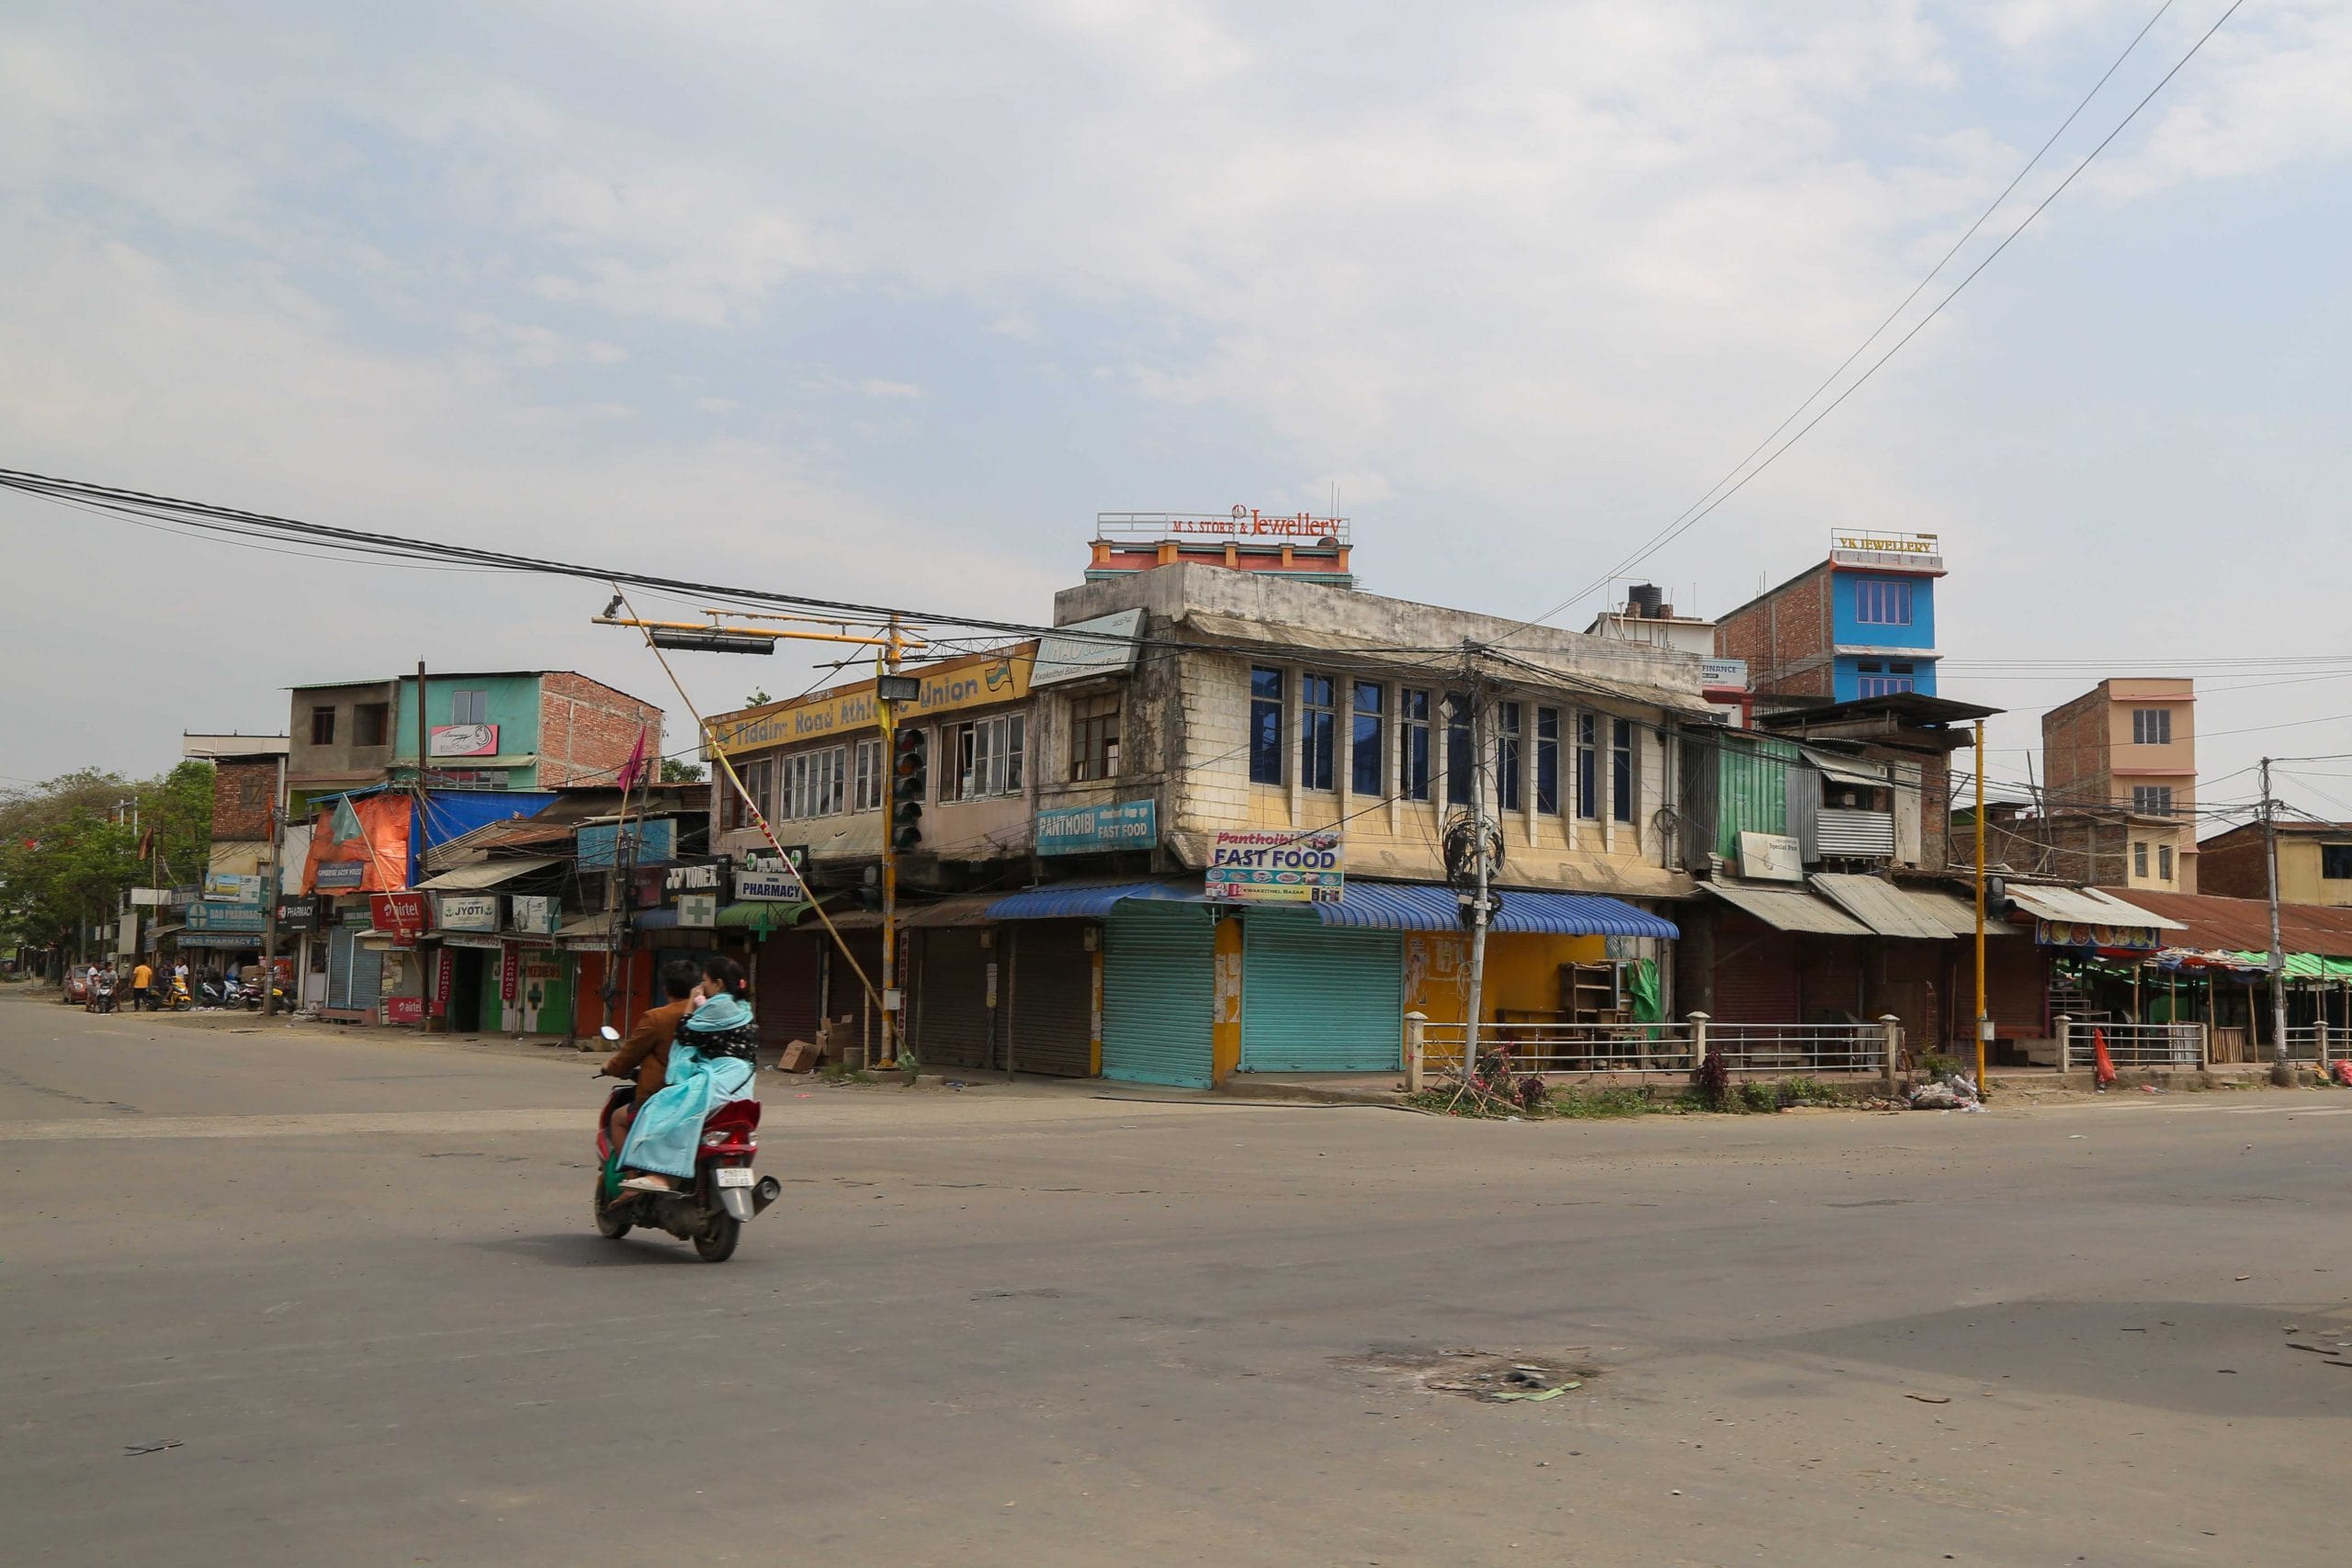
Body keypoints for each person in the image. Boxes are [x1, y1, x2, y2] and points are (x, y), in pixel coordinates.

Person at [615, 956, 760, 1194]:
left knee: (666, 1110)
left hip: (721, 1081)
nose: (701, 987)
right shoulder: (742, 1008)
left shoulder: (718, 1005)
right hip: (739, 1083)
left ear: (719, 984)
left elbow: (685, 1032)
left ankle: (659, 1175)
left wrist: (692, 1003)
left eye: (705, 981)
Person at [600, 959, 705, 1143]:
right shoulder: (712, 1014)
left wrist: (610, 1067)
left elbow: (629, 1056)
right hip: (705, 1099)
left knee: (617, 1119)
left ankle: (632, 1171)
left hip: (663, 1099)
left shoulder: (657, 1018)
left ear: (665, 989)